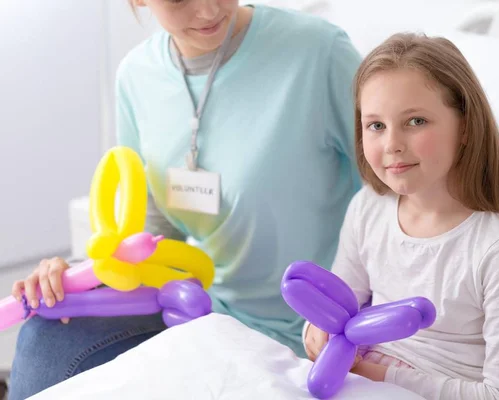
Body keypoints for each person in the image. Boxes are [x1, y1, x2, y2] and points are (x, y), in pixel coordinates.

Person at [9, 1, 363, 398]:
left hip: (311, 329)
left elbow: (394, 197)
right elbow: (148, 236)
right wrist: (77, 279)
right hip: (200, 312)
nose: (209, 9)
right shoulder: (136, 76)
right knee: (47, 336)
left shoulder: (318, 52)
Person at [304, 33, 499, 399]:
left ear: (465, 126)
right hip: (355, 380)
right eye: (376, 125)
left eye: (415, 121)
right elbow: (339, 306)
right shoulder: (368, 208)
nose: (392, 144)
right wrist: (315, 332)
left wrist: (379, 375)